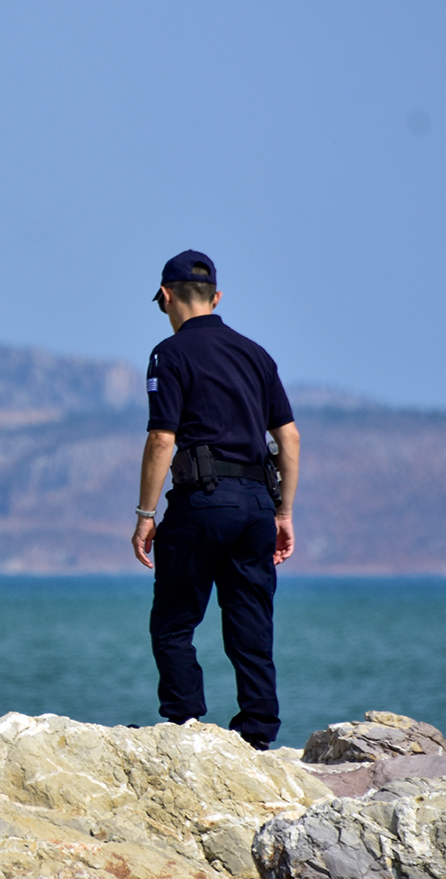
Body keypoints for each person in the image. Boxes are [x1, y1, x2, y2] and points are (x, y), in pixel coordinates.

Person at [130, 250, 300, 750]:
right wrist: (284, 513)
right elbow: (288, 438)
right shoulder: (256, 354)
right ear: (217, 297)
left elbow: (162, 440)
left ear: (165, 296)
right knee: (251, 623)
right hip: (256, 506)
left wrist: (145, 515)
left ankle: (185, 729)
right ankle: (257, 735)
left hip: (201, 503)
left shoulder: (169, 354)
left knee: (174, 622)